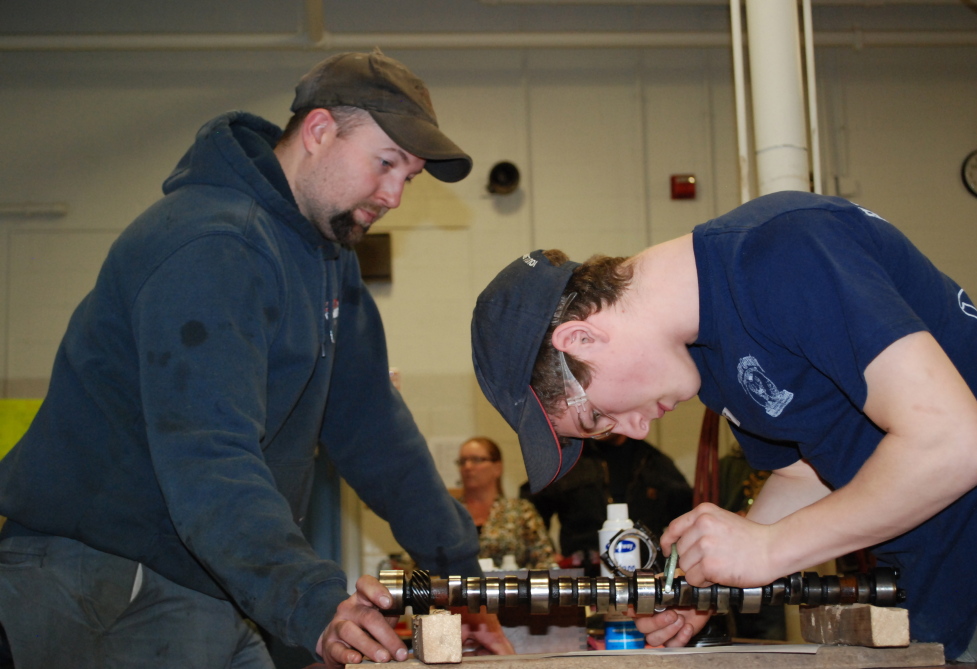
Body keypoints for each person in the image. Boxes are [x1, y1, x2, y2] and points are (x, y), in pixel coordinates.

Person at [0, 48, 512, 669]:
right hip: (105, 579)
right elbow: (209, 455)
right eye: (385, 165)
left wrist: (461, 578)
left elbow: (373, 425)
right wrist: (316, 601)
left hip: (202, 578)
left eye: (409, 177)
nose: (395, 196)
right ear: (320, 131)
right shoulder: (214, 242)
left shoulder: (327, 260)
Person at [469, 190, 977, 661]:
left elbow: (955, 445)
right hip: (947, 609)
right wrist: (710, 582)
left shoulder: (784, 251)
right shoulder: (708, 355)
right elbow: (806, 474)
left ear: (581, 340)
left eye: (596, 416)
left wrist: (770, 550)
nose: (630, 433)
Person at [521, 434, 692, 576]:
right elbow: (529, 508)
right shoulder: (569, 460)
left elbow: (686, 516)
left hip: (646, 579)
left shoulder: (655, 463)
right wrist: (546, 553)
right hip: (583, 578)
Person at [456, 437, 555, 570]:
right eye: (463, 461)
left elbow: (545, 562)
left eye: (476, 460)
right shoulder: (450, 513)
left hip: (511, 588)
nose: (467, 467)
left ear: (497, 467)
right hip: (456, 588)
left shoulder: (520, 511)